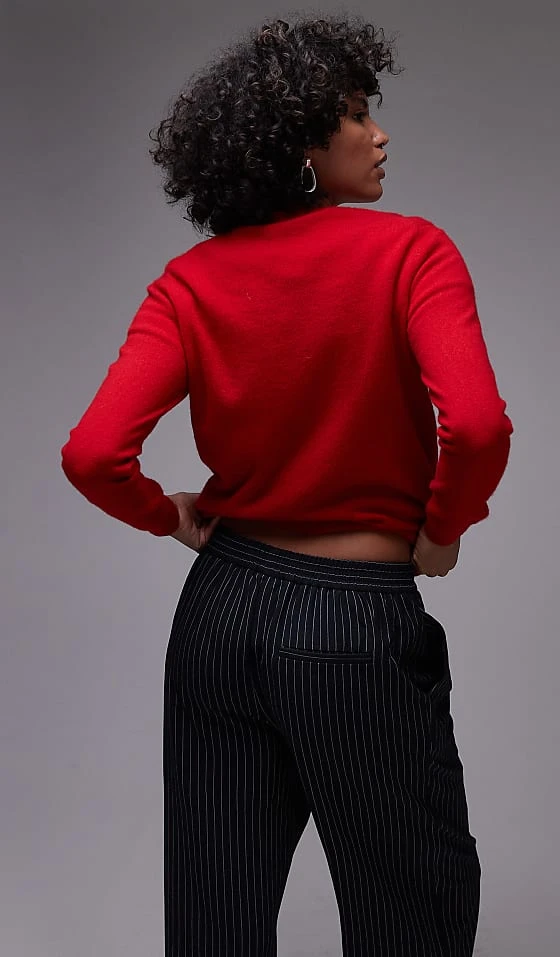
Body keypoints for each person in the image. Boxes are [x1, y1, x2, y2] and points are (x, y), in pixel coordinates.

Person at [60, 13, 513, 957]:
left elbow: (94, 453)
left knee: (215, 915)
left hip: (219, 614)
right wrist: (444, 527)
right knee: (411, 910)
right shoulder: (412, 253)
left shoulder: (188, 283)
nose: (378, 134)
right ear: (299, 148)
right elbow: (475, 426)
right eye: (354, 114)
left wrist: (166, 515)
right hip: (353, 622)